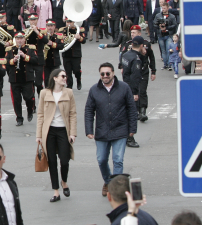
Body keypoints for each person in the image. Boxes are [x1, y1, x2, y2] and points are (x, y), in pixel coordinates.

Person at [84, 62, 138, 197]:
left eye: (108, 73)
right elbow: (89, 111)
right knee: (101, 159)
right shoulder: (94, 90)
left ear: (113, 73)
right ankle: (108, 181)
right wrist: (89, 130)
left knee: (118, 159)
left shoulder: (124, 88)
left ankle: (116, 189)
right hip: (102, 131)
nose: (105, 76)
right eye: (102, 74)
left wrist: (132, 128)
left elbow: (131, 108)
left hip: (120, 129)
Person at [36, 69, 77, 202]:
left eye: (66, 76)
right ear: (54, 78)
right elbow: (40, 114)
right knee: (52, 161)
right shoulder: (44, 93)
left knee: (64, 160)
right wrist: (39, 135)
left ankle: (64, 181)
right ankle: (56, 191)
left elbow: (72, 113)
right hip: (49, 131)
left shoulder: (69, 92)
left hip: (63, 130)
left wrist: (72, 133)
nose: (65, 78)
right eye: (63, 76)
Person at [121, 36, 145, 148]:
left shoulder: (125, 54)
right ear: (141, 46)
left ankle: (125, 136)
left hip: (124, 85)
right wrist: (135, 92)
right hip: (131, 88)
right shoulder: (136, 59)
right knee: (132, 114)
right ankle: (130, 138)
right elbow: (135, 77)